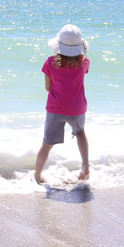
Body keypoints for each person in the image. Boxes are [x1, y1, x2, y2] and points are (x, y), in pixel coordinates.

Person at [34, 24, 90, 184]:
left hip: (55, 107)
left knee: (46, 144)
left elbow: (48, 87)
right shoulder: (84, 63)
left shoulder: (50, 62)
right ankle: (85, 166)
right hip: (77, 108)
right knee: (80, 133)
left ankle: (37, 176)